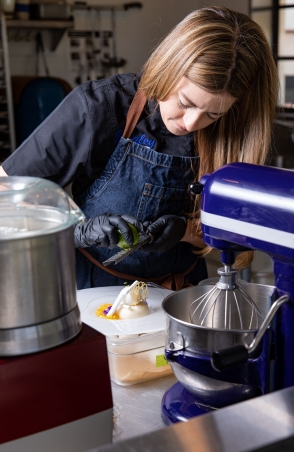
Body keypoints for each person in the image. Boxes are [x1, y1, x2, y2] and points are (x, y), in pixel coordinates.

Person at [0, 6, 278, 290]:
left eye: (213, 114)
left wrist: (183, 231)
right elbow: (5, 198)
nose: (193, 123)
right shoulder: (99, 107)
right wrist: (77, 231)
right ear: (168, 67)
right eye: (185, 103)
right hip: (92, 293)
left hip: (179, 296)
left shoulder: (236, 132)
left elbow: (238, 235)